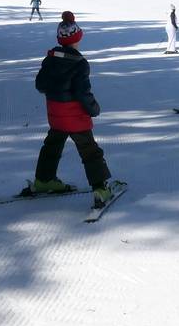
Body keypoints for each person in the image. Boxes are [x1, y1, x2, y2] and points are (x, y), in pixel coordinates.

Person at [28, 11, 115, 207]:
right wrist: (93, 108)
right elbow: (83, 93)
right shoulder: (80, 63)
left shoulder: (51, 59)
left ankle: (44, 180)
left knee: (51, 146)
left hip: (56, 114)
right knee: (90, 151)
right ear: (77, 38)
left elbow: (40, 85)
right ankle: (100, 188)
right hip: (75, 117)